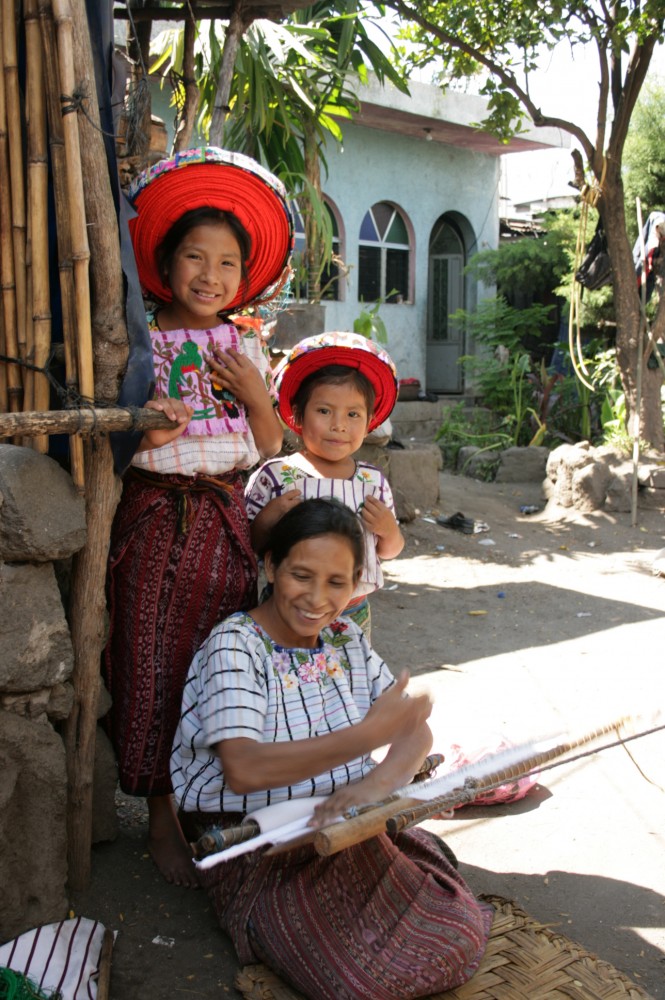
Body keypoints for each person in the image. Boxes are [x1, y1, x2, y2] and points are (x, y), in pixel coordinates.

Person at [171, 498, 492, 1000]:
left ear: (356, 584)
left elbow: (414, 730)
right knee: (366, 979)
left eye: (338, 583)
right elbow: (243, 769)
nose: (317, 599)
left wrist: (377, 785)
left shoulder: (343, 638)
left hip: (341, 829)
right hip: (258, 847)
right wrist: (363, 739)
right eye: (302, 575)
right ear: (272, 566)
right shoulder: (235, 646)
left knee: (454, 932)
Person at [102, 147, 293, 886]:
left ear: (243, 277)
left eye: (225, 264)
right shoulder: (138, 339)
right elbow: (127, 443)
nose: (208, 277)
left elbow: (270, 447)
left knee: (222, 666)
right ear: (165, 262)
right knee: (151, 661)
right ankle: (159, 821)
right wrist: (153, 428)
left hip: (231, 526)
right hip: (156, 521)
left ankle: (208, 810)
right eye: (193, 257)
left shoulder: (245, 346)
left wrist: (254, 394)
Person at [245, 331, 404, 638]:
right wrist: (270, 516)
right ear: (298, 415)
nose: (339, 424)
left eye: (353, 414)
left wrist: (389, 529)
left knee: (347, 680)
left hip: (354, 612)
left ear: (370, 422)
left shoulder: (372, 482)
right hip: (286, 609)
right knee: (287, 675)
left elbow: (390, 550)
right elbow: (250, 545)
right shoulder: (277, 476)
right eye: (324, 411)